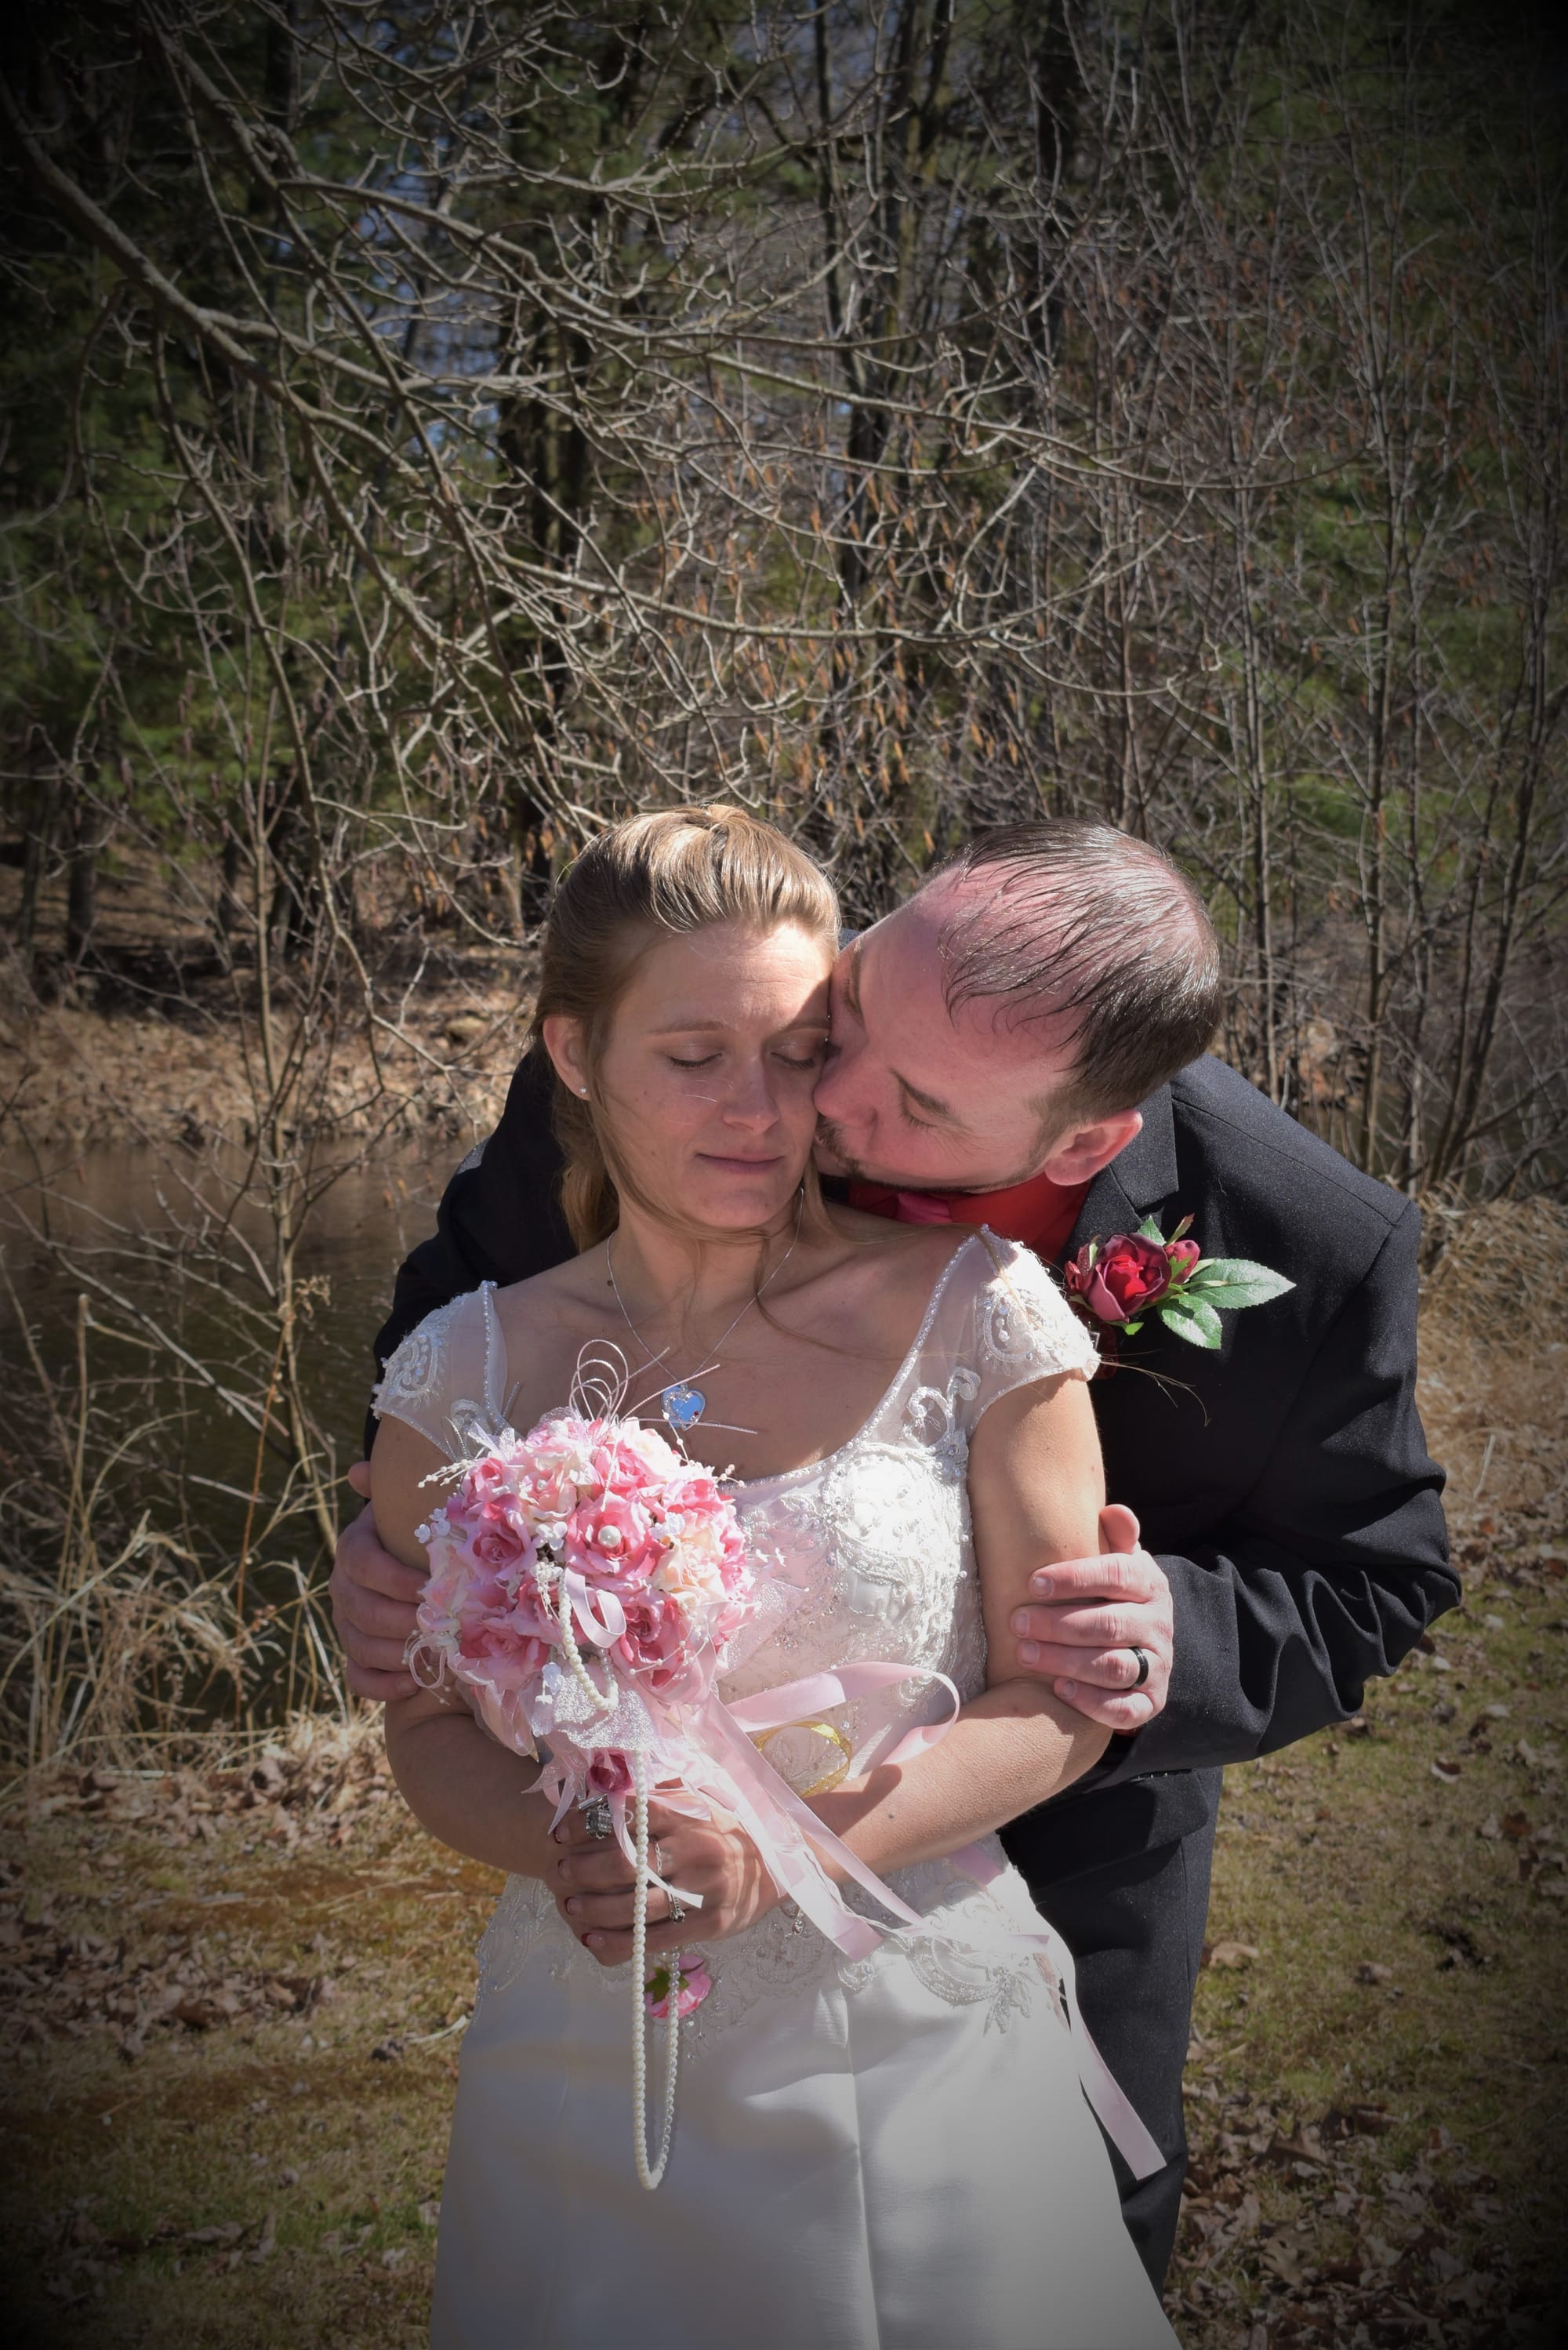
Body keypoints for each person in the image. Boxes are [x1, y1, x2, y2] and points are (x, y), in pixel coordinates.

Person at [336, 812, 1454, 2287]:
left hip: (1053, 1845)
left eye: (907, 1097)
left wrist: (1147, 1633)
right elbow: (453, 1340)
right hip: (619, 1952)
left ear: (1084, 1140)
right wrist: (421, 1550)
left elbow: (1379, 1569)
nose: (819, 1102)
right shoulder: (729, 1016)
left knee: (1062, 2227)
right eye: (845, 1017)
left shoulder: (1307, 1239)